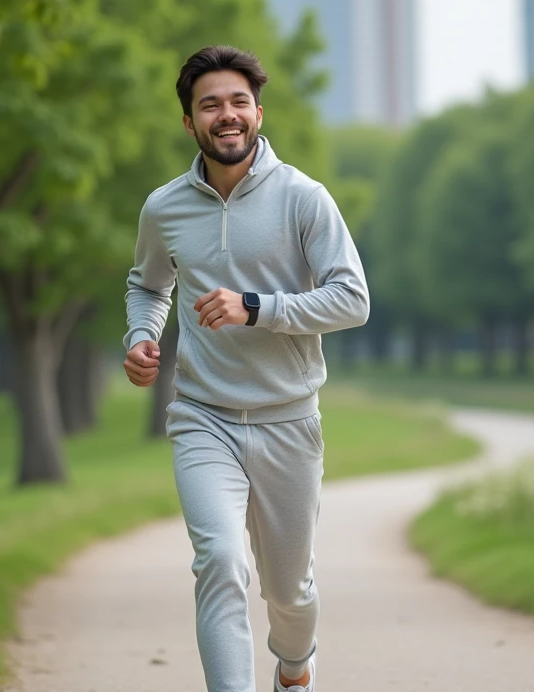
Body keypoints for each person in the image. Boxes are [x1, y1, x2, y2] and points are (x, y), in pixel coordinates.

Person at [122, 45, 370, 692]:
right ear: (190, 123)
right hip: (204, 416)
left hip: (289, 419)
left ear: (259, 113)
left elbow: (352, 300)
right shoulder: (164, 207)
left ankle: (294, 665)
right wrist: (142, 336)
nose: (226, 114)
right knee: (221, 561)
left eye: (238, 102)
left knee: (290, 592)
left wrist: (256, 308)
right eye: (210, 105)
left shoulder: (304, 199)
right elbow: (148, 284)